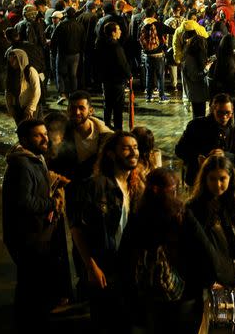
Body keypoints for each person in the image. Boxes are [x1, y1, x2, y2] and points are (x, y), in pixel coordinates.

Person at [122, 168, 216, 334]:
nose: (176, 193)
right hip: (184, 293)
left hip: (150, 295)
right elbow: (204, 247)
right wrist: (209, 280)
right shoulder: (182, 214)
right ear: (158, 190)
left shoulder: (138, 216)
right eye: (173, 189)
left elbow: (125, 254)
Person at [68, 131, 145, 333]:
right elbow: (76, 228)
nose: (133, 152)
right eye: (126, 148)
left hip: (127, 268)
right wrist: (91, 266)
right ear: (111, 154)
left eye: (135, 147)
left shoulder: (135, 187)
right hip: (103, 267)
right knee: (105, 323)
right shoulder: (95, 186)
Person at [2, 119, 67, 332]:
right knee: (30, 284)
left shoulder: (34, 157)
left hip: (35, 233)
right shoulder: (21, 164)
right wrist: (53, 202)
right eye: (38, 135)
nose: (45, 138)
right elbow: (25, 202)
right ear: (24, 140)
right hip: (27, 236)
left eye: (45, 133)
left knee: (34, 281)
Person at [187, 156, 235, 334]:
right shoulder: (195, 208)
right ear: (204, 179)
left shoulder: (234, 201)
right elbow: (195, 248)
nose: (218, 185)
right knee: (206, 324)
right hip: (211, 278)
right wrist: (209, 278)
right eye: (213, 179)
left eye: (222, 179)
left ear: (230, 178)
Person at [175, 93, 235, 187]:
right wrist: (196, 157)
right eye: (220, 113)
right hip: (197, 179)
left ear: (232, 113)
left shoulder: (234, 131)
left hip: (223, 182)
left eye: (227, 113)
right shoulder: (196, 125)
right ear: (213, 110)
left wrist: (225, 155)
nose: (224, 117)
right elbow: (179, 150)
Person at [52, 90, 114, 182]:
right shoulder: (62, 133)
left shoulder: (106, 136)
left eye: (81, 108)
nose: (77, 112)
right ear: (68, 110)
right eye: (73, 108)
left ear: (91, 111)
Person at [95, 21, 131, 131]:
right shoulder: (116, 46)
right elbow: (122, 63)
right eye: (118, 29)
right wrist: (129, 75)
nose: (120, 31)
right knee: (117, 106)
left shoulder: (100, 43)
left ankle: (106, 125)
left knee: (108, 103)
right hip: (116, 80)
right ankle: (118, 129)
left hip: (106, 79)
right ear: (113, 33)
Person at [52, 7, 84, 104]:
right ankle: (73, 94)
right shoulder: (80, 25)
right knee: (73, 75)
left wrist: (53, 52)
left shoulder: (61, 25)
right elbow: (83, 40)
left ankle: (62, 94)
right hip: (75, 54)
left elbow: (54, 40)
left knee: (60, 74)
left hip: (63, 54)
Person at [4, 48, 41, 124]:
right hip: (17, 107)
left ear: (21, 59)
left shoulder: (30, 71)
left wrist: (31, 108)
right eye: (10, 61)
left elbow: (37, 90)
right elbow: (8, 91)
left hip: (28, 107)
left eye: (14, 60)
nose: (12, 63)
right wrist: (10, 107)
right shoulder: (11, 73)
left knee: (31, 129)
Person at [182, 34, 211, 118]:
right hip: (196, 94)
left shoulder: (193, 57)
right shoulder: (189, 59)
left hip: (199, 94)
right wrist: (206, 69)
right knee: (198, 117)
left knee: (200, 116)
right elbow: (194, 76)